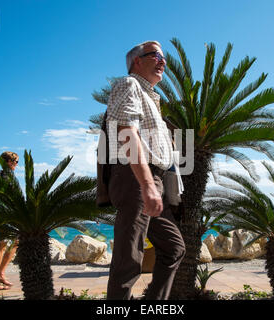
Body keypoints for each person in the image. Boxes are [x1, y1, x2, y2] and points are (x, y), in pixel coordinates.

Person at [105, 41, 186, 300]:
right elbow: (127, 132)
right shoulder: (129, 85)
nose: (163, 61)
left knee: (174, 248)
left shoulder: (152, 98)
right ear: (137, 62)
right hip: (136, 178)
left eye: (164, 57)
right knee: (129, 258)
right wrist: (147, 184)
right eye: (156, 55)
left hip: (152, 181)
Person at [0, 151, 19, 290]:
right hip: (3, 214)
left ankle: (0, 273)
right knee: (1, 246)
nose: (17, 165)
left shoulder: (8, 175)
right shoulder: (4, 175)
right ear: (8, 162)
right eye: (16, 162)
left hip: (9, 214)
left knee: (15, 243)